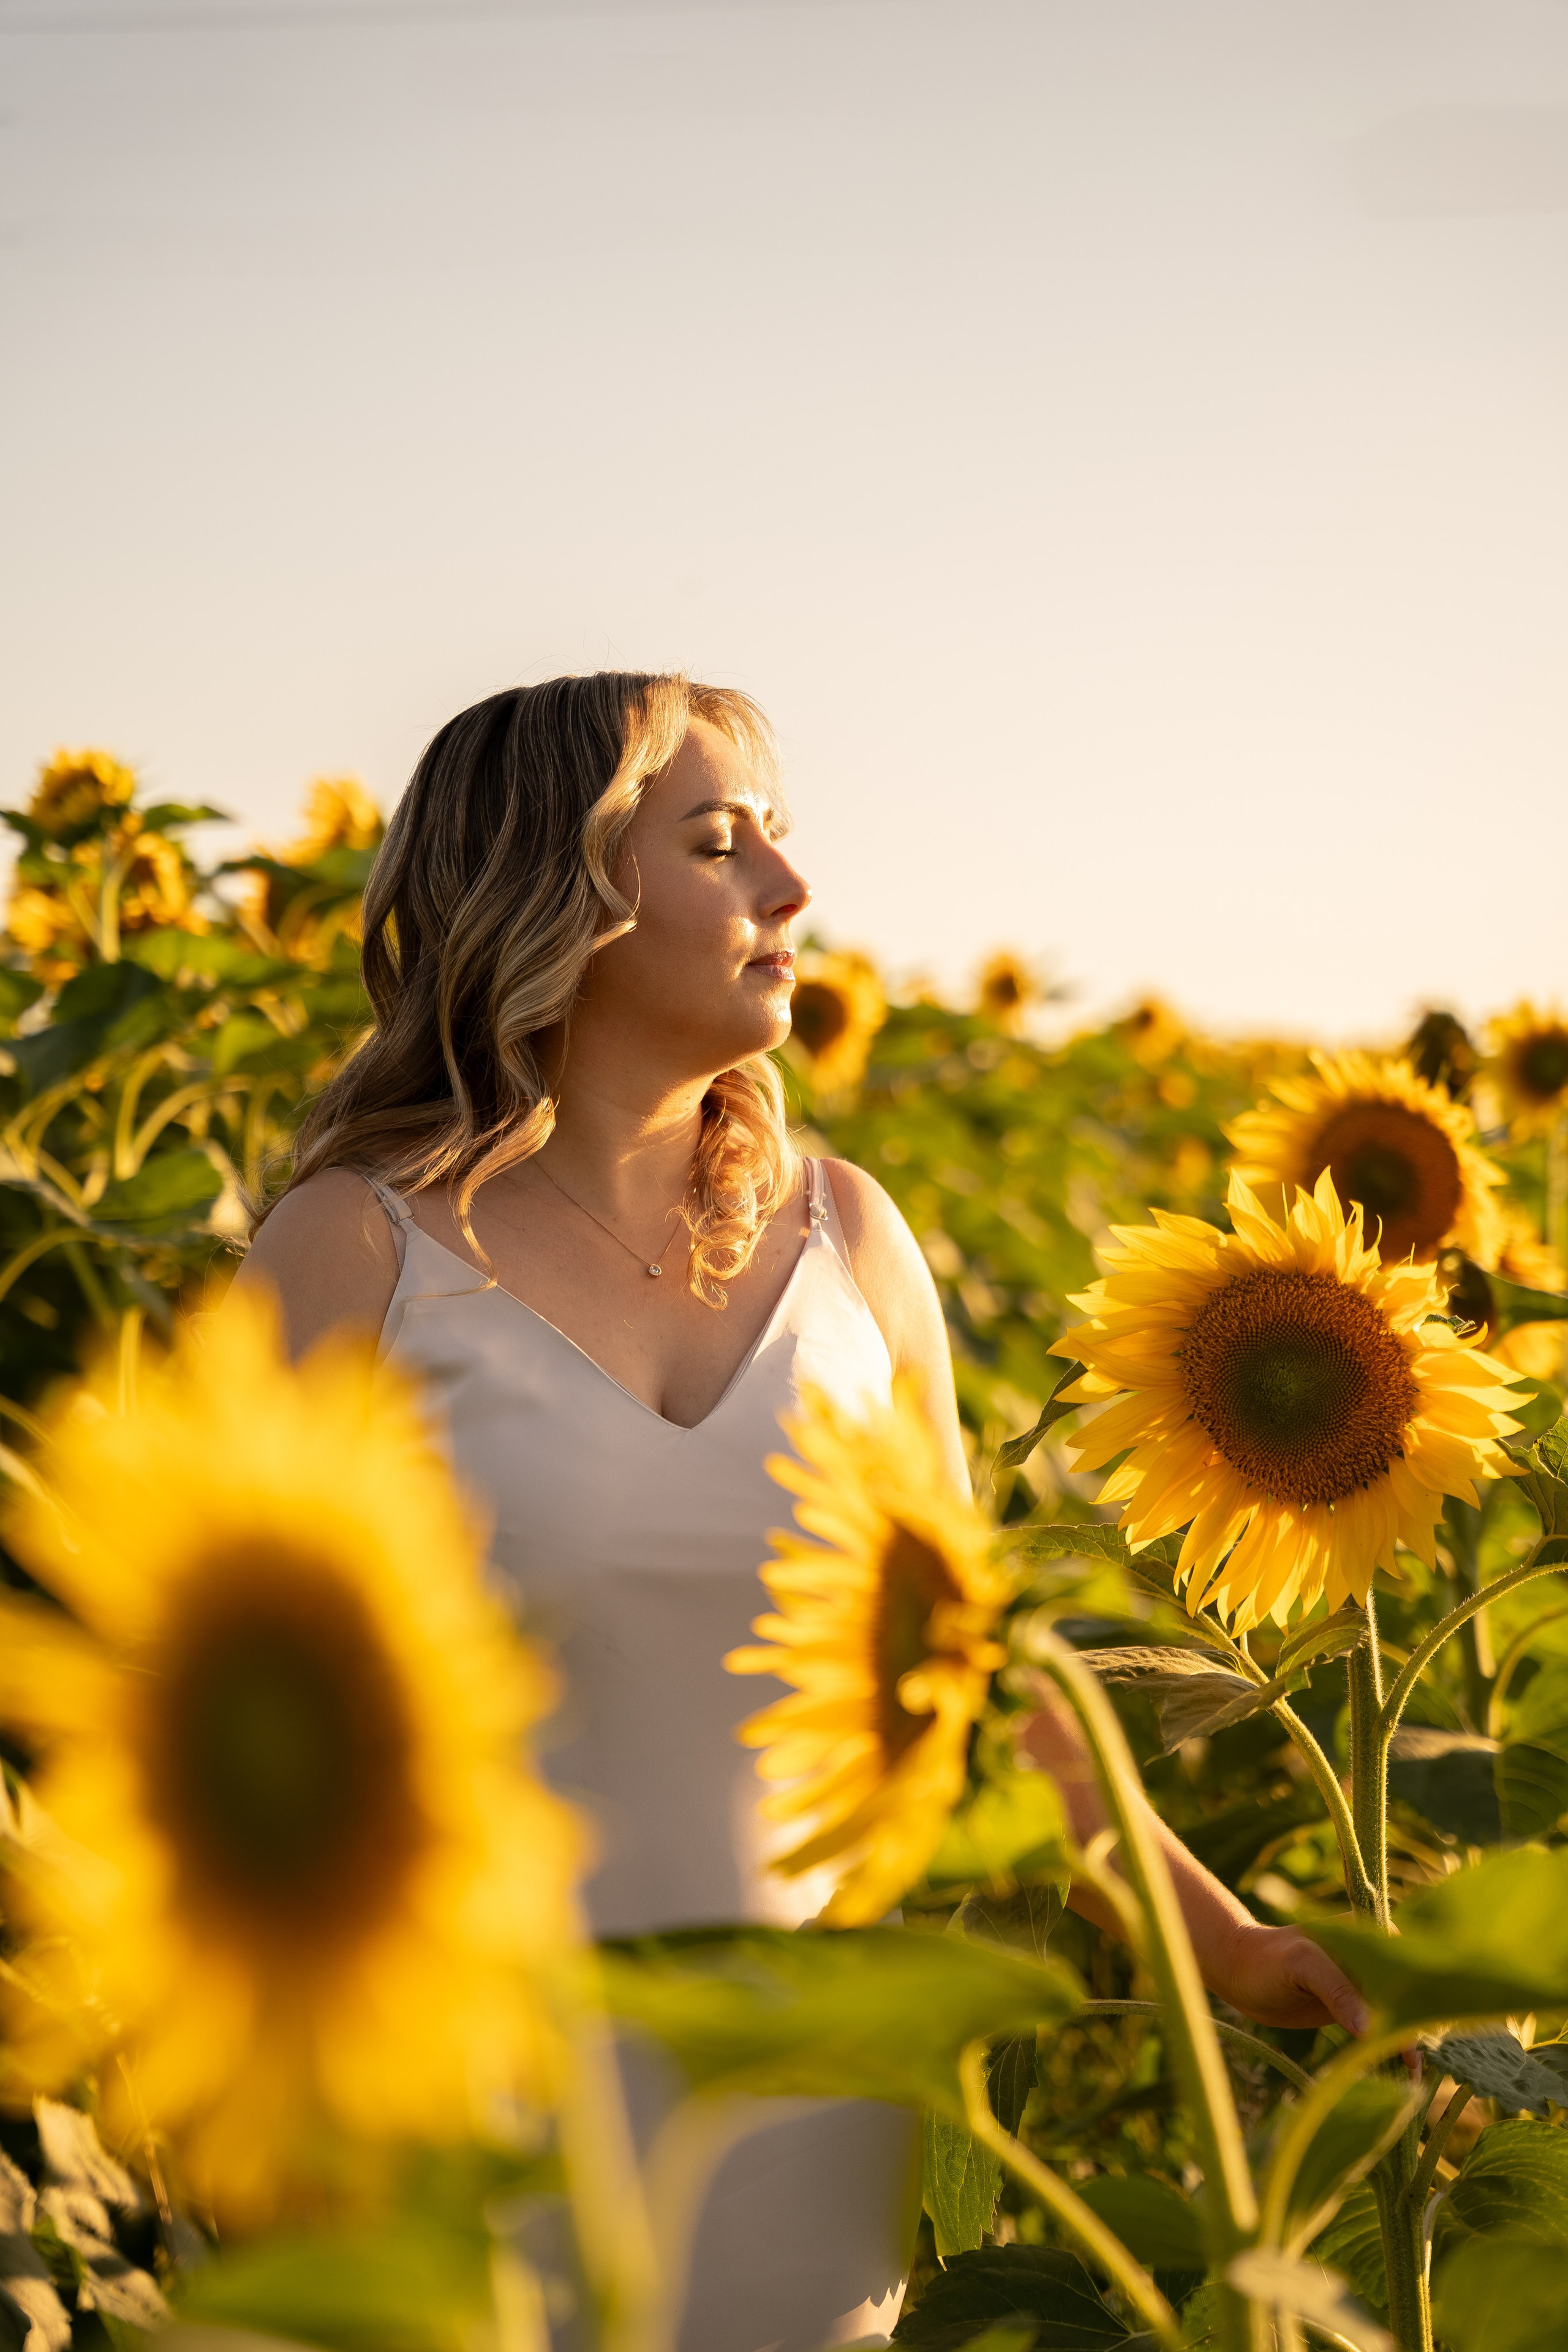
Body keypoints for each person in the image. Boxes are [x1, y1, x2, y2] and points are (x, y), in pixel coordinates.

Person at [235, 672, 1368, 2352]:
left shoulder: (851, 1245)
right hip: (448, 2145)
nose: (790, 890)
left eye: (781, 837)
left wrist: (1235, 1948)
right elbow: (233, 1733)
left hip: (813, 2148)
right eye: (717, 843)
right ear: (563, 896)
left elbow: (981, 1692)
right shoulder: (353, 1257)